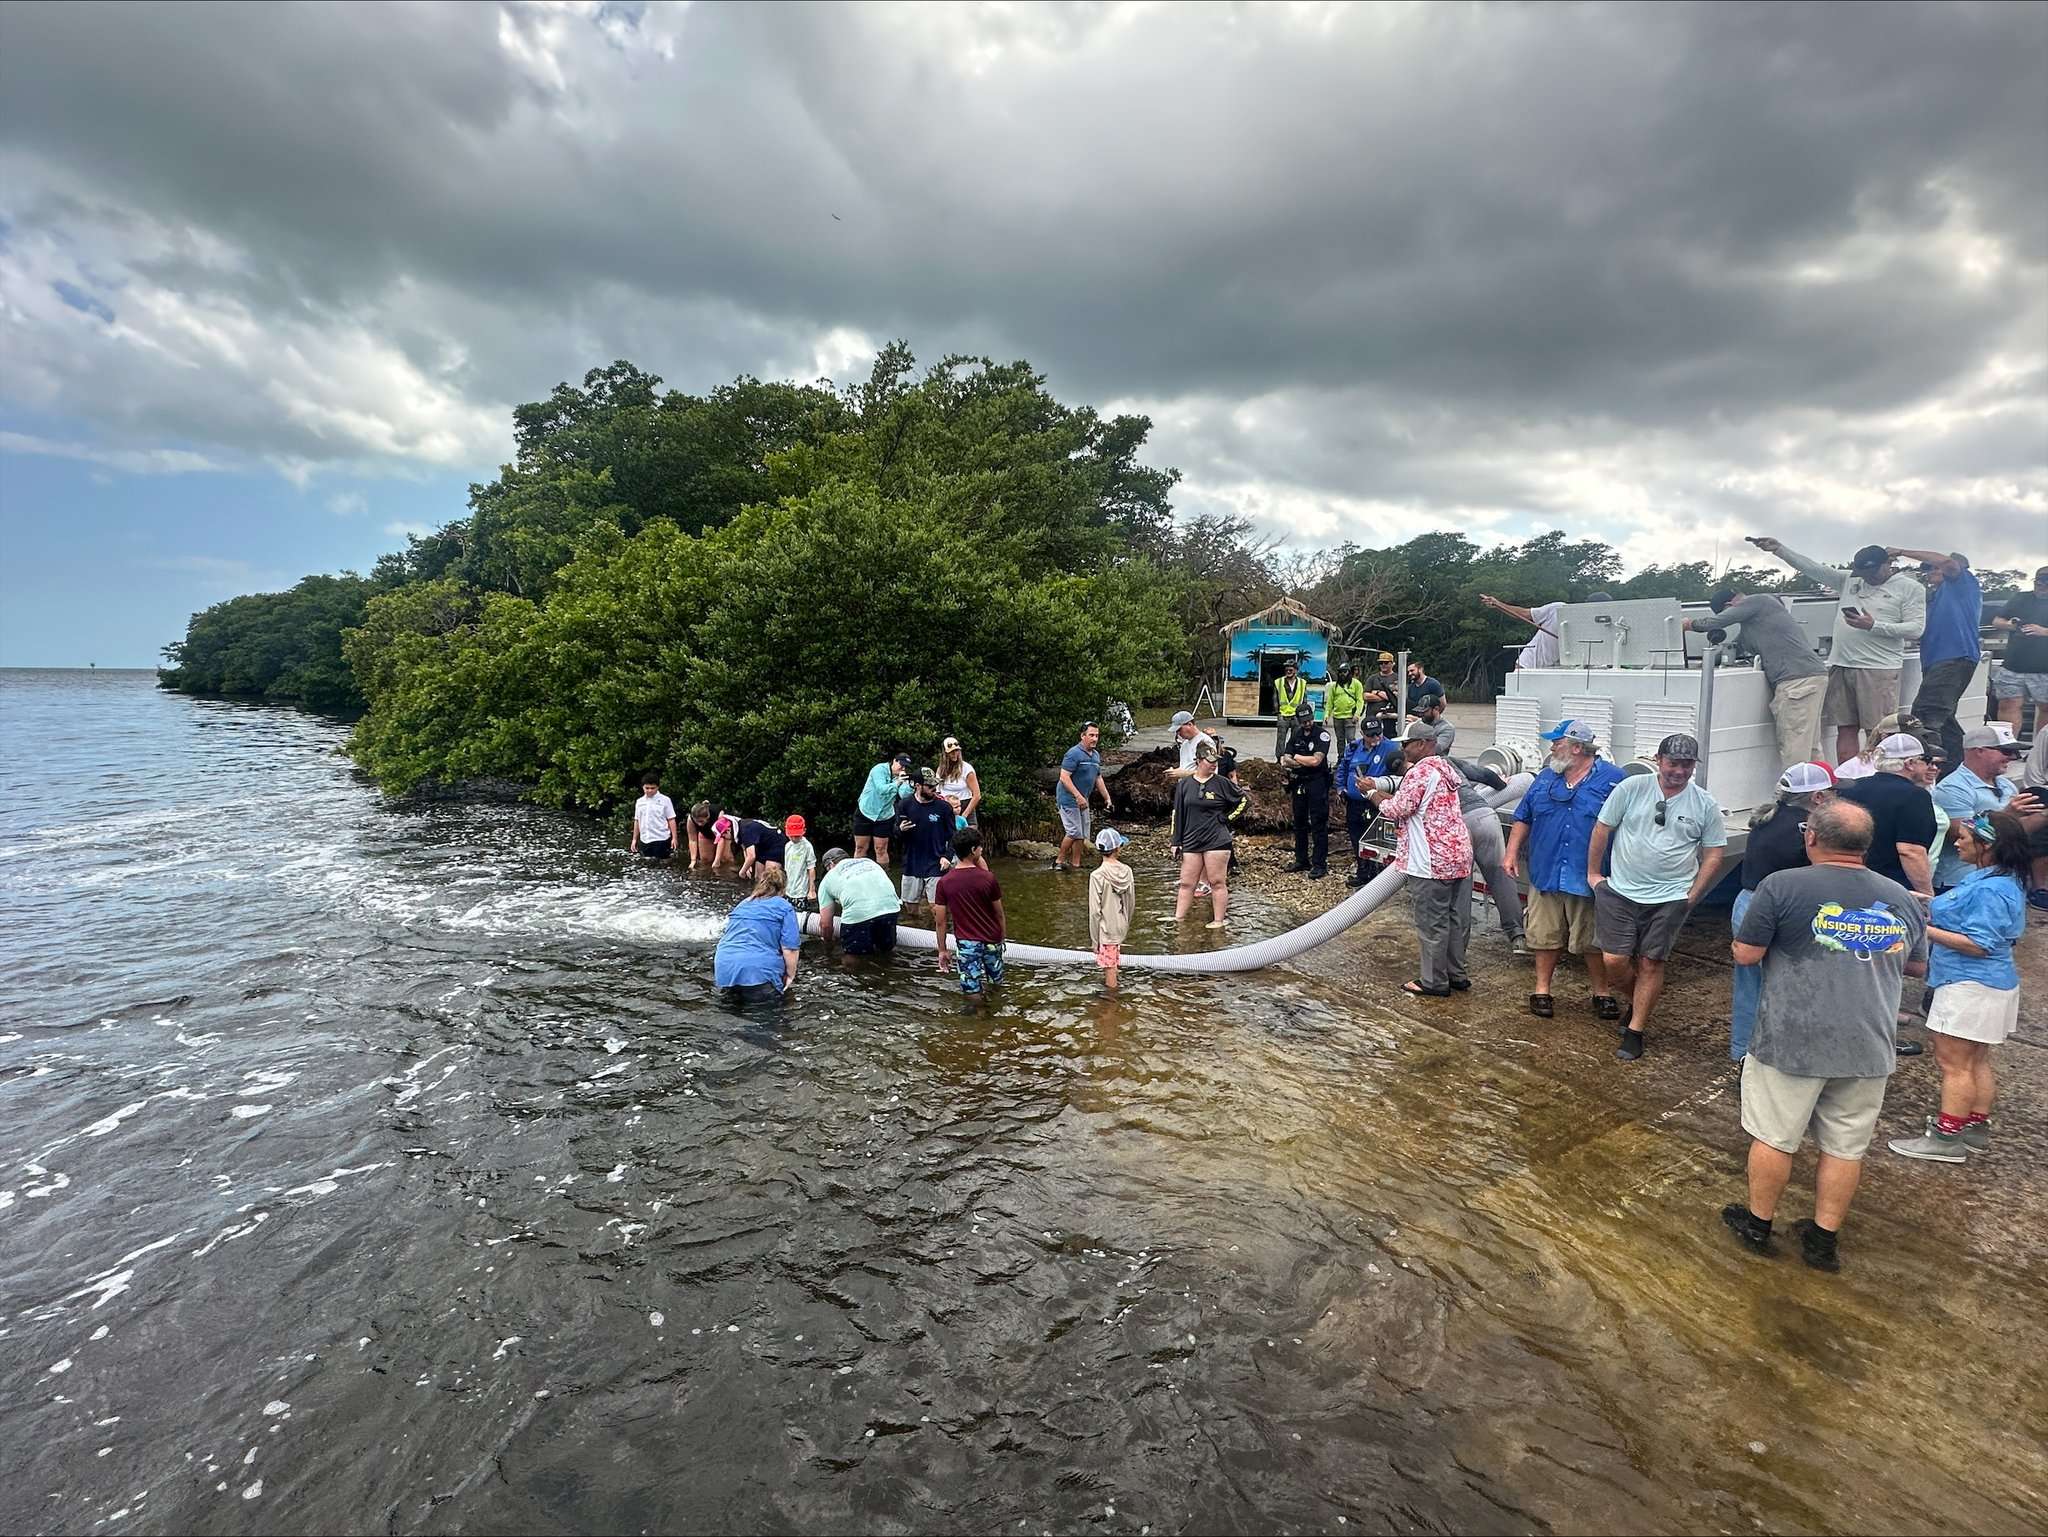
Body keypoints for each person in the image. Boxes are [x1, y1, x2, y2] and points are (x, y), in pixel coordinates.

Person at [1721, 799, 1927, 1273]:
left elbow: (1747, 955)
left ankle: (1758, 1224)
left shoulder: (1781, 887)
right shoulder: (1899, 897)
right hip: (1869, 1044)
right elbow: (1915, 965)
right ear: (1866, 846)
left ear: (1810, 838)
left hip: (1790, 1040)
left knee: (1774, 1137)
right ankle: (1822, 1240)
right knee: (1844, 1147)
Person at [1887, 811, 2030, 1163]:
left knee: (1954, 1064)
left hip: (1968, 985)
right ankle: (1974, 1128)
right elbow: (1958, 911)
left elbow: (1979, 943)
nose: (1957, 842)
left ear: (1988, 845)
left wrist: (1920, 926)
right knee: (1975, 1059)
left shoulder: (1992, 890)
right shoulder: (1994, 878)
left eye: (1964, 838)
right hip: (1987, 985)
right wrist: (1912, 898)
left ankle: (1946, 1137)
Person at [1587, 732, 1728, 1060]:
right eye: (1673, 763)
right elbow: (1602, 829)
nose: (1679, 770)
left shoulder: (1704, 803)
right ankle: (1640, 999)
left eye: (1687, 764)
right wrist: (1594, 874)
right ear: (1658, 760)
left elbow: (1714, 852)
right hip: (1620, 890)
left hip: (1670, 896)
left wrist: (1693, 893)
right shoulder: (1631, 788)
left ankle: (1636, 1029)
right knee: (1614, 961)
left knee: (1652, 961)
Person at [1747, 537, 1927, 764]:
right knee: (1845, 727)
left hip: (1878, 669)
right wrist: (1780, 550)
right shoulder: (1851, 580)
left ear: (1887, 564)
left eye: (1871, 573)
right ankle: (1846, 780)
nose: (1866, 578)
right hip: (1842, 664)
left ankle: (1878, 782)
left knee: (1879, 731)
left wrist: (1874, 625)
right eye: (1862, 573)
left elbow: (1916, 629)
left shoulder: (1910, 587)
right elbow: (1813, 569)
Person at [1505, 720, 1626, 1020]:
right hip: (1546, 872)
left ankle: (1602, 993)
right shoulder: (1545, 778)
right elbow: (1524, 816)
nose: (1551, 747)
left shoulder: (1614, 781)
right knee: (1544, 937)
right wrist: (1510, 853)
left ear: (1576, 748)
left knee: (1592, 940)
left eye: (1556, 742)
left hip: (1588, 877)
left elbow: (1631, 826)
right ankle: (1542, 990)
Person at [1730, 762, 1834, 1062]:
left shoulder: (1766, 819)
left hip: (1747, 904)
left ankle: (1743, 1055)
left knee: (1750, 986)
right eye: (1832, 792)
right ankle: (1778, 1056)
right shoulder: (1810, 831)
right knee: (1791, 986)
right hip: (1785, 910)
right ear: (1817, 798)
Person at [1369, 721, 1474, 997]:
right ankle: (1456, 974)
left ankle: (1433, 982)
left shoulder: (1420, 773)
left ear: (1422, 744)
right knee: (1454, 919)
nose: (1402, 749)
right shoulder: (1446, 769)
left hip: (1431, 860)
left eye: (1406, 744)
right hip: (1458, 856)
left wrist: (1372, 794)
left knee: (1432, 924)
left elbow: (1397, 809)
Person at [1682, 589, 1827, 769]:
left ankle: (1797, 794)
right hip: (1810, 676)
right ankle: (1823, 790)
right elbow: (1735, 647)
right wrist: (1704, 663)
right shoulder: (1754, 625)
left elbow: (1716, 622)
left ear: (1730, 606)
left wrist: (1689, 625)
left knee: (1794, 744)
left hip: (1796, 680)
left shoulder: (1759, 601)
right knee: (1810, 745)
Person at [1883, 547, 1983, 766]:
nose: (1928, 572)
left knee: (1925, 715)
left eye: (1932, 567)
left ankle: (1929, 770)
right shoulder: (1935, 596)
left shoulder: (1962, 584)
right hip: (1940, 661)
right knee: (1944, 720)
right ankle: (1958, 768)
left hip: (1954, 657)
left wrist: (1901, 551)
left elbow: (1948, 563)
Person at [1833, 733, 1937, 898]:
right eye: (1927, 762)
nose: (1931, 768)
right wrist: (1927, 895)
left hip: (1847, 883)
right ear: (1910, 763)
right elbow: (1910, 851)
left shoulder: (1851, 789)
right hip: (1893, 889)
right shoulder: (1915, 796)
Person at [1932, 724, 2032, 889]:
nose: (2012, 757)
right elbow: (1960, 834)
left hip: (1999, 876)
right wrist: (2008, 815)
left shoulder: (2007, 785)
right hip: (1960, 880)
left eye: (2015, 752)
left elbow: (2016, 832)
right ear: (1979, 751)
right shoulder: (1953, 788)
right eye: (2006, 752)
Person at [1448, 757, 1525, 951]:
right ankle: (1517, 935)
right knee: (1500, 877)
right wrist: (1501, 783)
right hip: (1484, 816)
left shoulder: (1415, 774)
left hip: (1456, 825)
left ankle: (1457, 956)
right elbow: (1484, 775)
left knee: (1461, 890)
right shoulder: (1448, 761)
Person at [1171, 741, 1245, 928]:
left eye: (1215, 761)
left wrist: (1227, 818)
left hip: (1217, 840)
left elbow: (1243, 801)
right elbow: (1178, 813)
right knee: (1187, 883)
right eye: (1209, 761)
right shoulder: (1185, 785)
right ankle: (1178, 918)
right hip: (1191, 839)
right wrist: (1175, 841)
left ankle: (1218, 920)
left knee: (1216, 881)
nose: (1213, 764)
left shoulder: (1222, 783)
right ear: (1198, 760)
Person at [711, 864, 801, 1004]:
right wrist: (790, 976)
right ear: (783, 889)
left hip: (725, 968)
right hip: (759, 972)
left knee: (730, 1019)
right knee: (766, 1020)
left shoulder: (744, 903)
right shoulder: (784, 907)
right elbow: (789, 948)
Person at [932, 828, 1006, 997]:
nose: (982, 849)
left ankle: (979, 1017)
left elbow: (940, 921)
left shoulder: (944, 882)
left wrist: (942, 950)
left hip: (967, 943)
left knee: (971, 987)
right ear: (973, 850)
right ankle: (997, 1015)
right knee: (996, 984)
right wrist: (1002, 938)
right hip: (992, 939)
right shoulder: (988, 878)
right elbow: (999, 913)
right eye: (980, 847)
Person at [1339, 717, 1402, 887]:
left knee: (1378, 840)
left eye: (1378, 734)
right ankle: (1363, 873)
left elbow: (1399, 773)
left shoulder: (1390, 747)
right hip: (1354, 802)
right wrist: (1340, 787)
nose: (1375, 738)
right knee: (1356, 838)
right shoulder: (1353, 748)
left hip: (1375, 802)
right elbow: (1343, 767)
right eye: (1371, 735)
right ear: (1362, 734)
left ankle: (1380, 879)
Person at [1989, 564, 2048, 732]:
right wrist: (2011, 625)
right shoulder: (2021, 598)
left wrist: (2043, 631)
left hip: (2045, 668)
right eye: (2038, 581)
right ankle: (2008, 750)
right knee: (2008, 704)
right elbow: (1996, 621)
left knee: (2046, 709)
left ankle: (2041, 751)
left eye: (2046, 581)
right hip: (2013, 666)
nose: (2041, 585)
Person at [815, 847, 903, 956]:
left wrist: (828, 942)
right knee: (885, 952)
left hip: (858, 915)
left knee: (853, 958)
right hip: (891, 908)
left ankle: (853, 970)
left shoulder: (827, 879)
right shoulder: (868, 862)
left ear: (831, 864)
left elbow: (825, 924)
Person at [1282, 701, 1334, 878]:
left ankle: (1320, 863)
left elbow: (1316, 761)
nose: (1307, 723)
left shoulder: (1322, 735)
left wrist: (1296, 758)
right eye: (1303, 721)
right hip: (1299, 782)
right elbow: (1284, 759)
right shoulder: (1296, 734)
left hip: (1317, 781)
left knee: (1319, 823)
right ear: (1298, 720)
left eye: (1309, 719)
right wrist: (1302, 760)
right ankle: (1301, 859)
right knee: (1299, 822)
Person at [1055, 721, 1114, 870]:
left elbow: (1098, 778)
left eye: (1097, 736)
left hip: (1083, 799)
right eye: (1091, 735)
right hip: (1069, 799)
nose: (1094, 739)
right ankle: (1058, 862)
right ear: (1083, 736)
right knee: (1074, 831)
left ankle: (1076, 864)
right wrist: (1078, 796)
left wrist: (1107, 798)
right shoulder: (1073, 754)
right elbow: (1064, 777)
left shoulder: (1095, 755)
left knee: (1081, 835)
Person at [895, 769, 956, 906]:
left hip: (936, 863)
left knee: (937, 907)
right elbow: (896, 834)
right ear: (918, 786)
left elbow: (954, 836)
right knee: (910, 907)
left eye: (936, 785)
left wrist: (947, 857)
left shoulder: (944, 808)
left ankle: (938, 926)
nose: (934, 789)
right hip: (911, 864)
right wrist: (900, 830)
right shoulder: (904, 805)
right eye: (930, 786)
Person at [1088, 827, 1136, 991]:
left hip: (1105, 930)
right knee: (1114, 960)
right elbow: (1130, 903)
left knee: (1109, 969)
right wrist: (1125, 924)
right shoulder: (1127, 871)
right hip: (1120, 925)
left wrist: (1095, 941)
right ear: (1118, 848)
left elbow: (1095, 912)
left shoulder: (1097, 875)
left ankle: (1111, 1004)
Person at [854, 755, 912, 867]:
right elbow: (881, 789)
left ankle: (883, 878)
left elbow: (904, 795)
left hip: (885, 816)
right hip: (865, 811)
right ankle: (857, 875)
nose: (903, 769)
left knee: (881, 849)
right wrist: (898, 782)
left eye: (905, 767)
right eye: (901, 765)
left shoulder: (901, 777)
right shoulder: (879, 769)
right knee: (861, 847)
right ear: (894, 761)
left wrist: (911, 785)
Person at [628, 775, 678, 860]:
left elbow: (671, 819)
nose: (650, 790)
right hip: (645, 839)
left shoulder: (665, 800)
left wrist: (674, 838)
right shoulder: (639, 802)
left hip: (661, 838)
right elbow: (637, 821)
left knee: (663, 864)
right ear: (643, 787)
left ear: (657, 787)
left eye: (652, 788)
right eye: (647, 788)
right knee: (646, 864)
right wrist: (634, 840)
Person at [936, 737, 981, 825]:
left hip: (965, 805)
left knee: (969, 836)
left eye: (957, 751)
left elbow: (977, 795)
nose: (955, 754)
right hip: (946, 807)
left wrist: (964, 816)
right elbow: (937, 792)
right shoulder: (940, 769)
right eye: (951, 752)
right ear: (945, 753)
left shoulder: (967, 769)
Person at [1323, 662, 1366, 757]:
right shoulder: (1334, 686)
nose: (1342, 674)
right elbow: (1330, 702)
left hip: (1350, 717)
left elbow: (1360, 700)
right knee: (1340, 740)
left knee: (1351, 739)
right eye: (1340, 672)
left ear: (1349, 672)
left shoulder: (1356, 684)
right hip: (1337, 717)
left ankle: (1353, 758)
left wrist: (1357, 714)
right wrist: (1326, 715)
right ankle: (1341, 758)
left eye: (1345, 672)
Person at [1272, 659, 1309, 760]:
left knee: (1296, 738)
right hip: (1283, 716)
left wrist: (1303, 716)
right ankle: (1280, 759)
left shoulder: (1302, 683)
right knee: (1281, 739)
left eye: (1291, 670)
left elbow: (1304, 700)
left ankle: (1292, 757)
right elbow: (1275, 699)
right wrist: (1278, 713)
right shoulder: (1278, 682)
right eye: (1287, 670)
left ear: (1296, 671)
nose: (1288, 672)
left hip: (1296, 717)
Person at [734, 815, 788, 881]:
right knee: (758, 878)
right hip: (763, 848)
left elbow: (751, 856)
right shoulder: (740, 830)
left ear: (728, 830)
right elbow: (745, 849)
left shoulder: (746, 829)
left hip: (777, 843)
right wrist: (748, 867)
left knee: (770, 877)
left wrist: (742, 872)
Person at [781, 815, 818, 911]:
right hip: (788, 889)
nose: (793, 838)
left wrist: (812, 890)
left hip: (801, 891)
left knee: (800, 917)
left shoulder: (807, 847)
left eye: (797, 835)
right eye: (791, 835)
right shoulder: (787, 846)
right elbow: (786, 868)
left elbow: (811, 868)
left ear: (804, 831)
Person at [1166, 711, 1217, 779]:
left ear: (1190, 724)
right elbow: (1187, 767)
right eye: (1176, 731)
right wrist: (1175, 772)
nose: (1178, 733)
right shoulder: (1184, 744)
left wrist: (1184, 774)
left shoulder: (1204, 742)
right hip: (1186, 786)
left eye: (1179, 729)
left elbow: (1210, 772)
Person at [685, 800, 734, 870]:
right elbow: (692, 840)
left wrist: (717, 860)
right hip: (706, 834)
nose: (699, 824)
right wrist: (693, 861)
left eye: (701, 821)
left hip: (724, 834)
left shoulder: (719, 814)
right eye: (697, 821)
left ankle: (729, 873)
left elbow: (721, 838)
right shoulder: (691, 819)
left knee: (725, 858)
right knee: (706, 859)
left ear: (707, 817)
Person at [1363, 651, 1402, 730]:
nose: (1383, 665)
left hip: (1391, 716)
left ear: (1392, 663)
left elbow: (1398, 698)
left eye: (1386, 662)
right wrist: (1386, 696)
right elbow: (1365, 696)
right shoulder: (1372, 678)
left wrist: (1377, 692)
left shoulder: (1398, 678)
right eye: (1381, 663)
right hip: (1373, 716)